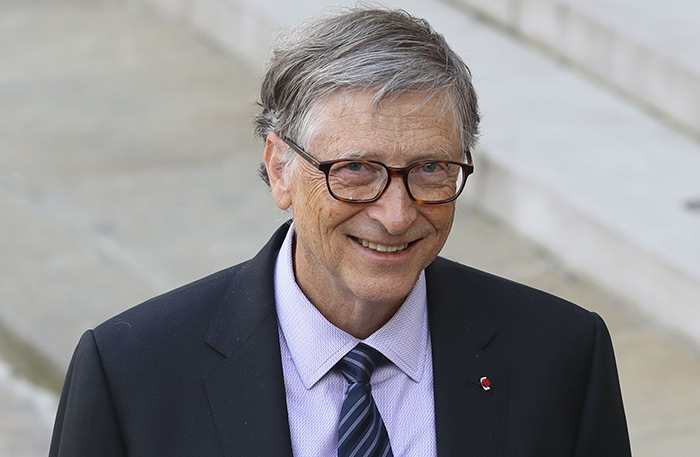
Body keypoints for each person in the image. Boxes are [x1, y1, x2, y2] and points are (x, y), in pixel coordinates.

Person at [49, 7, 631, 457]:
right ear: (280, 169)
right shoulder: (130, 372)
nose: (396, 215)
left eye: (431, 168)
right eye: (355, 169)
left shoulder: (561, 357)